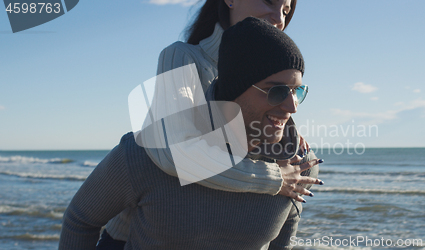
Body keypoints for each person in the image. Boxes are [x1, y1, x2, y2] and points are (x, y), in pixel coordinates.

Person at [59, 17, 321, 249]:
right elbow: (81, 220)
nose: (292, 107)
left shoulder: (300, 167)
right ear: (233, 90)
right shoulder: (146, 153)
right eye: (276, 91)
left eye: (297, 91)